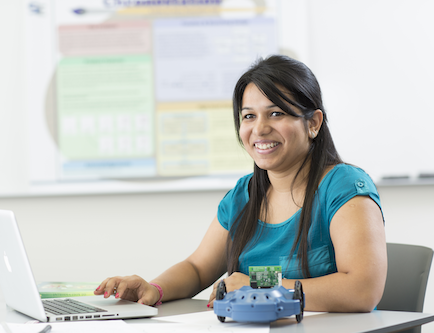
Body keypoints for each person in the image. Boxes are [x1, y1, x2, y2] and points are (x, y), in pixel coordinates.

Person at [94, 55, 387, 313]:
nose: (259, 128)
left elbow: (362, 290)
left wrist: (261, 285)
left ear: (313, 123)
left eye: (276, 113)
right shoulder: (244, 195)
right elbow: (197, 268)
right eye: (249, 116)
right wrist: (154, 289)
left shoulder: (345, 186)